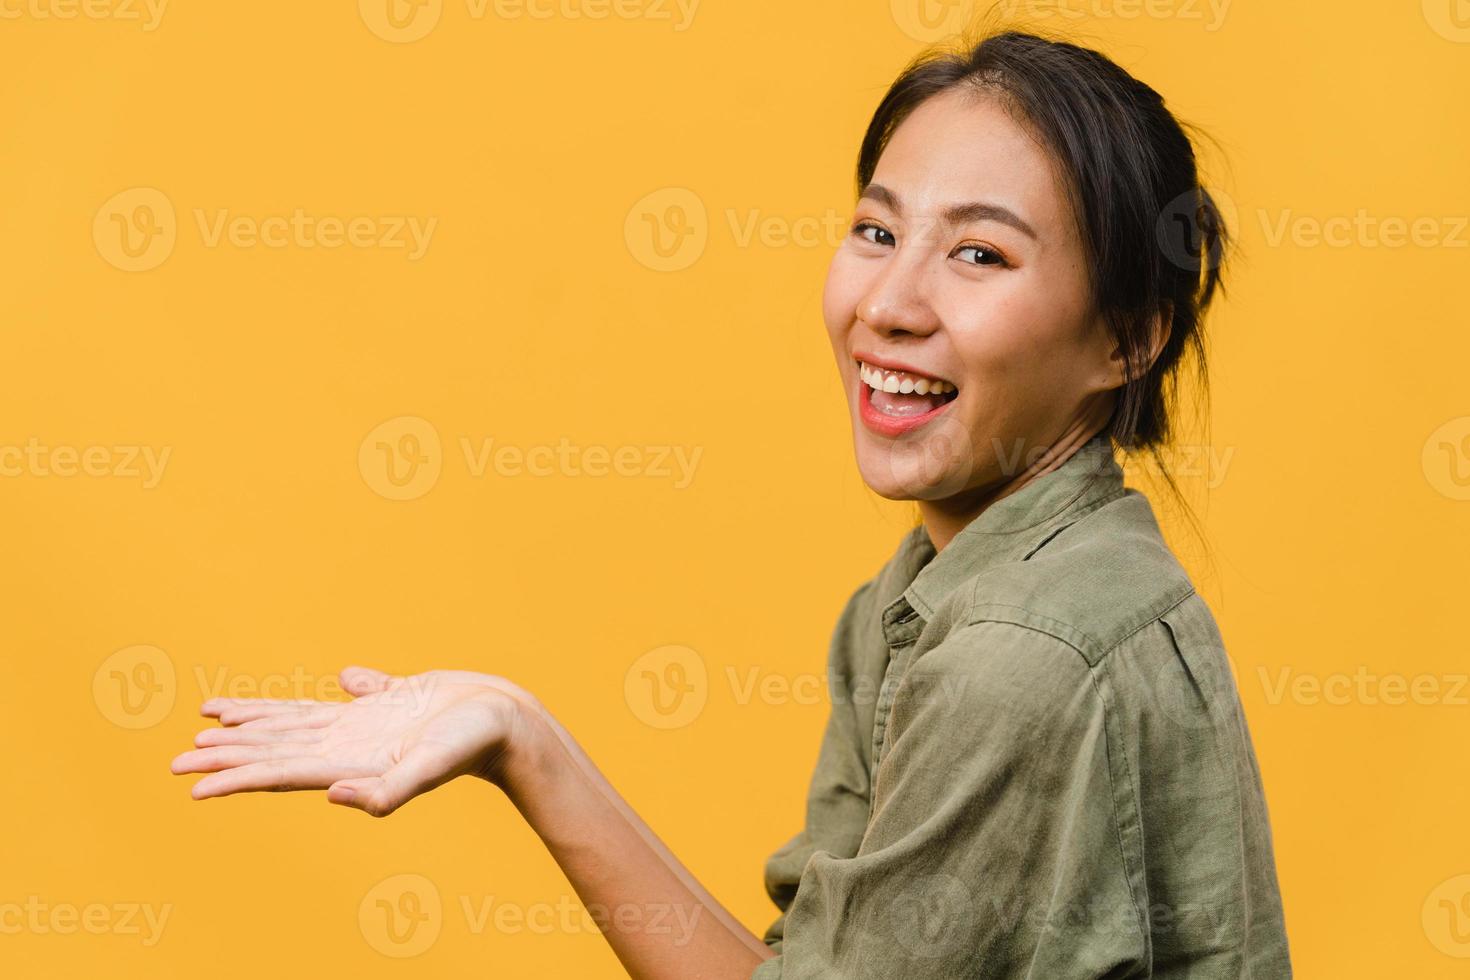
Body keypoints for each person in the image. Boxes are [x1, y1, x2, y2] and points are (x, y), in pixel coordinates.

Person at [170, 29, 1291, 978]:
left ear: (1126, 336)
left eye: (981, 253)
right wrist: (526, 739)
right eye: (877, 229)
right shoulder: (932, 597)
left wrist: (532, 751)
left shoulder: (1019, 653)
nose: (891, 304)